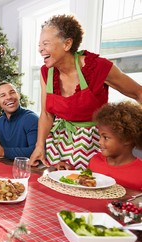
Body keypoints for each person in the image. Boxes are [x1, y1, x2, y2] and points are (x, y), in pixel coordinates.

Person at [29, 14, 142, 170]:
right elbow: (47, 114)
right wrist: (40, 145)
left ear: (67, 44)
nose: (40, 49)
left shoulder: (98, 67)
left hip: (93, 146)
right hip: (59, 145)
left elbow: (138, 93)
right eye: (39, 45)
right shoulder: (46, 72)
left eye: (45, 43)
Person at [56, 102, 142, 190]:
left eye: (106, 137)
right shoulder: (95, 160)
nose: (100, 142)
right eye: (100, 136)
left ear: (127, 139)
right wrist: (69, 170)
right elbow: (84, 183)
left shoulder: (140, 172)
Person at [0, 82, 38, 159]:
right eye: (3, 95)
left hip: (29, 169)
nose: (9, 97)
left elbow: (36, 151)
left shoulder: (31, 119)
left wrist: (4, 151)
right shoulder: (0, 122)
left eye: (12, 92)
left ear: (18, 95)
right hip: (7, 166)